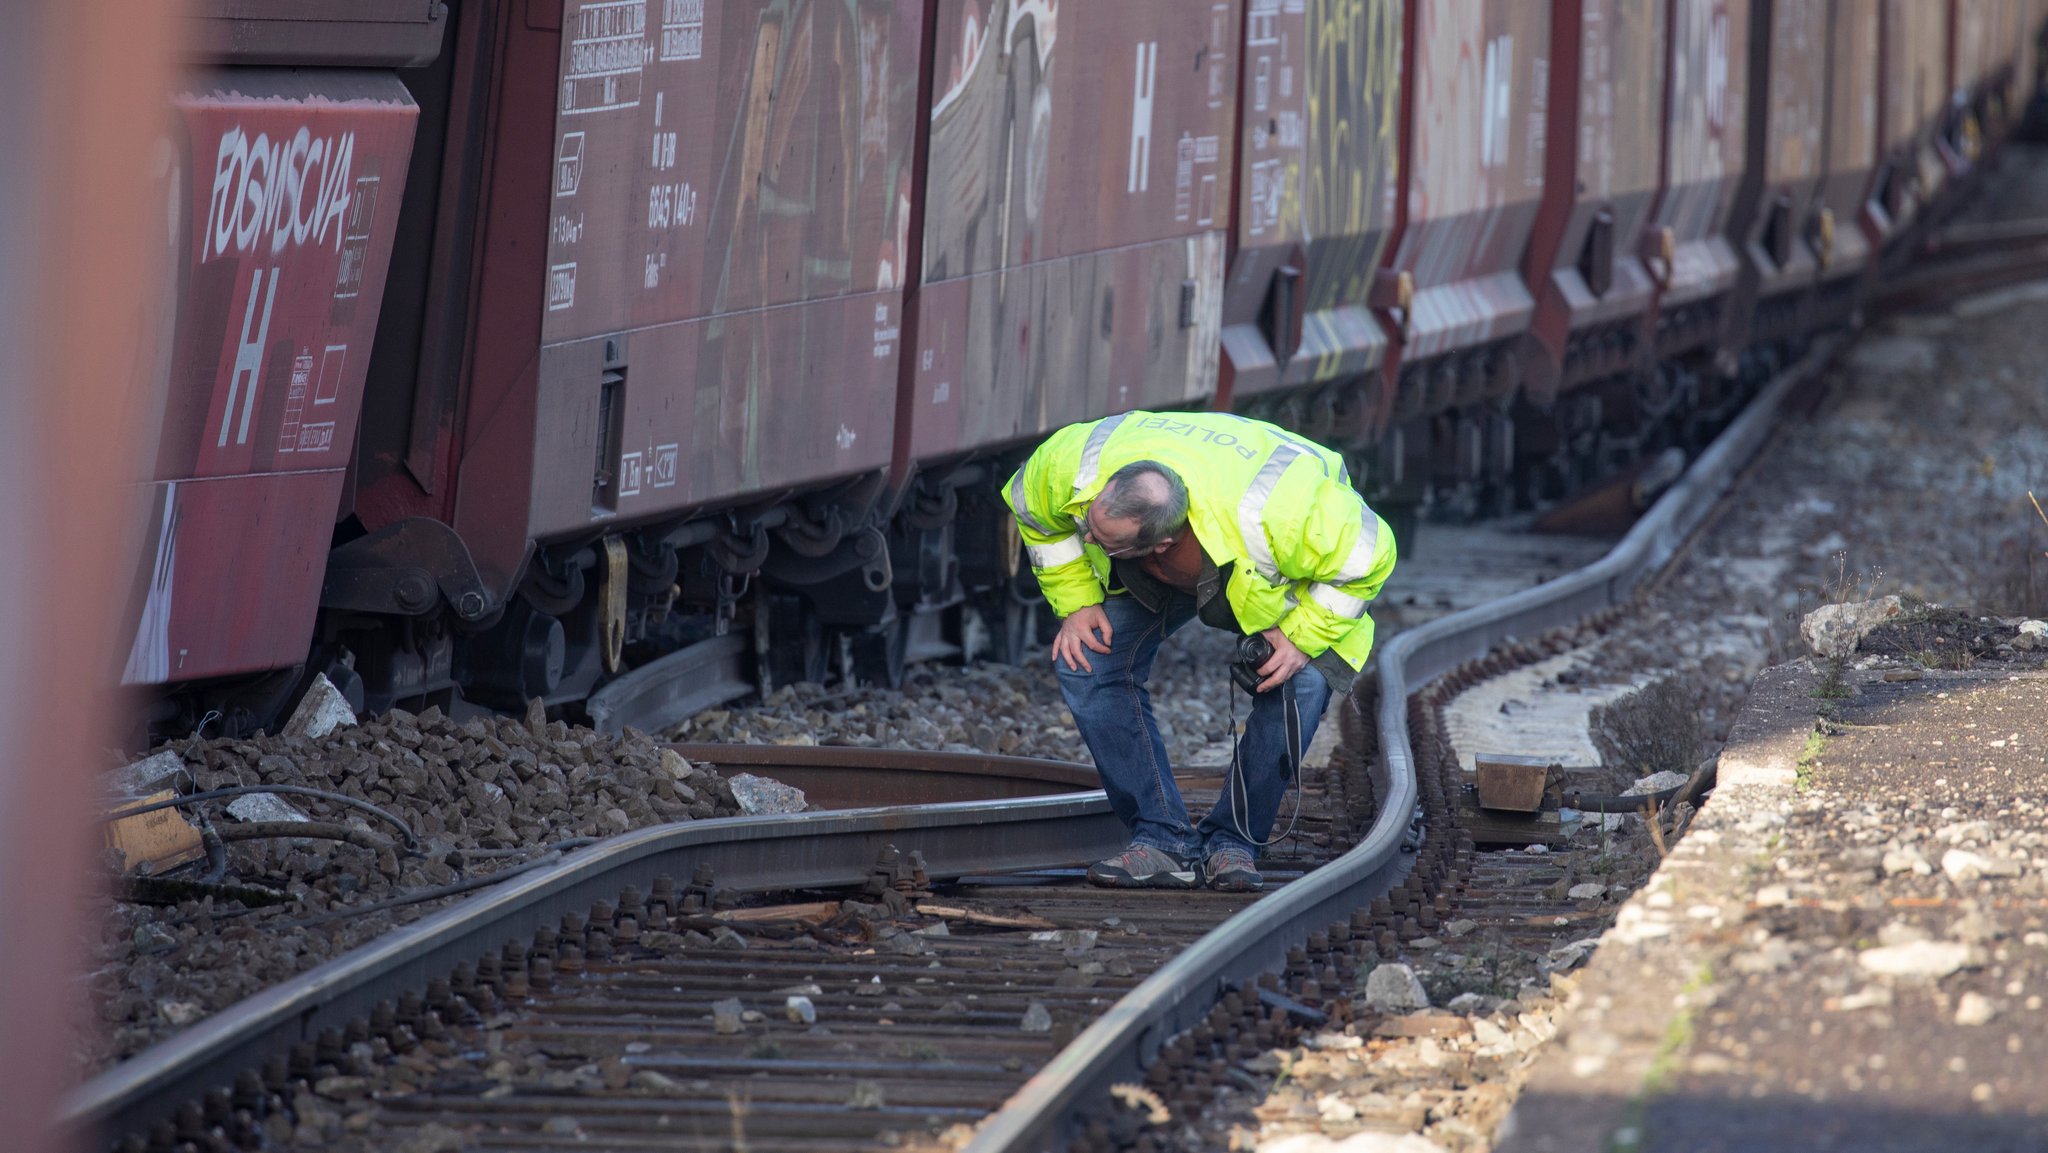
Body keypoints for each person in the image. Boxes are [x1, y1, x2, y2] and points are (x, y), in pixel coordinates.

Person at [1003, 411, 1397, 892]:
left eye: (1102, 542)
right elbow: (1032, 510)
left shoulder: (1287, 514)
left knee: (1298, 684)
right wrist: (1077, 602)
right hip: (1171, 562)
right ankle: (1161, 839)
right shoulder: (1072, 467)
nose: (1085, 540)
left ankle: (1234, 843)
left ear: (1161, 545)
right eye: (1090, 525)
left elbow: (1370, 552)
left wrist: (1300, 638)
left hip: (1265, 574)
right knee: (1087, 661)